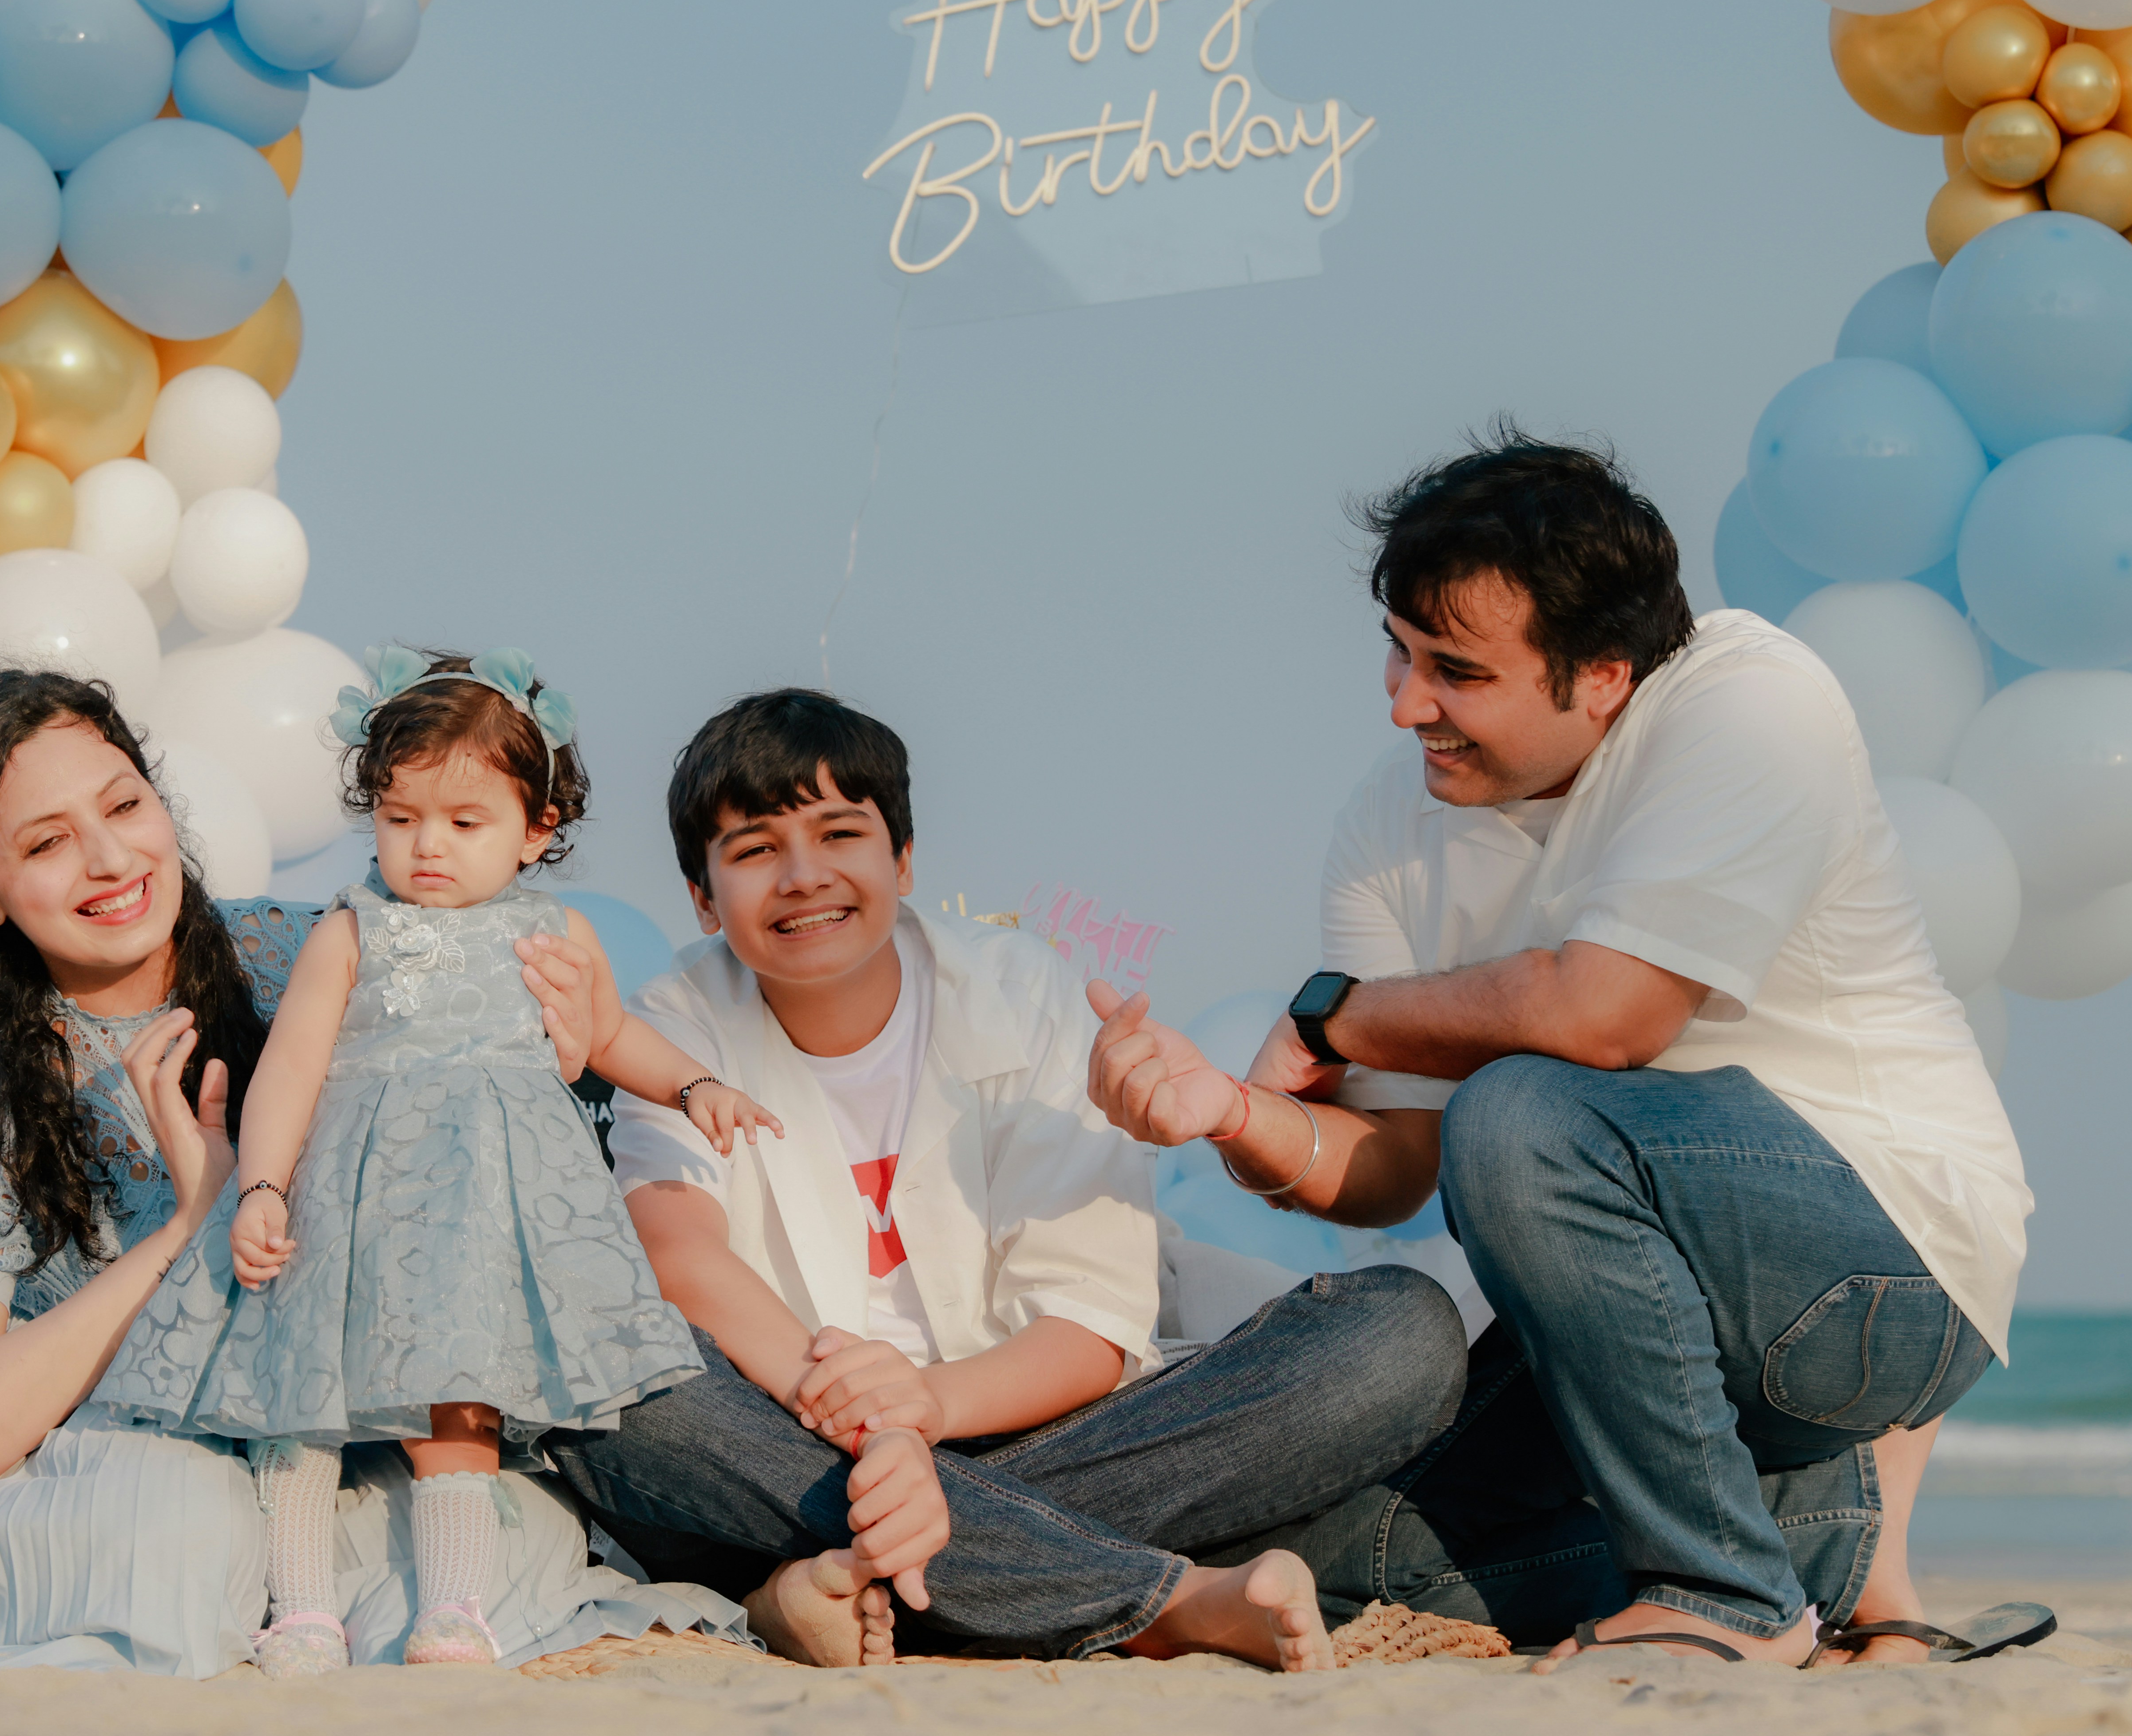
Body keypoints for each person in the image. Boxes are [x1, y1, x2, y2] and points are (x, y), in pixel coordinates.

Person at [1086, 430, 2038, 1668]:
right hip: (1630, 1302)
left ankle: (1721, 1592)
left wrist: (1338, 1014)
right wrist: (1230, 1115)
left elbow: (1606, 1017)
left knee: (1519, 1110)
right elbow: (1397, 1166)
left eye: (1456, 671)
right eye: (1398, 650)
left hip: (1879, 1276)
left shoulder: (1750, 701)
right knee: (1351, 1555)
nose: (1405, 703)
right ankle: (1817, 1546)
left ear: (1602, 676)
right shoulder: (1389, 822)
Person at [0, 668, 732, 1671]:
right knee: (187, 1531)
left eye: (124, 807)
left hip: (326, 1423)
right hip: (121, 1462)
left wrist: (574, 1033)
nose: (108, 860)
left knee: (493, 1547)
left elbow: (502, 998)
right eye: (47, 842)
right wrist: (194, 1221)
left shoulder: (308, 952)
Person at [540, 689, 1472, 1671]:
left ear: (903, 859)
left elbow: (1091, 1325)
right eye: (755, 849)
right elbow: (681, 1256)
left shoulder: (1020, 987)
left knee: (1398, 1337)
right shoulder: (672, 1024)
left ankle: (823, 1591)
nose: (803, 876)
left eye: (840, 834)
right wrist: (869, 1430)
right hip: (788, 1442)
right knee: (595, 1368)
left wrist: (924, 1411)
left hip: (1027, 1432)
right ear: (702, 898)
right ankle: (1161, 1600)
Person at [93, 647, 743, 1673]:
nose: (427, 846)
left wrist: (695, 1086)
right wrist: (261, 1186)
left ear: (537, 831)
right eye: (401, 820)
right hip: (347, 1202)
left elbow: (613, 1036)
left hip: (476, 1213)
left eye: (464, 823)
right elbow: (292, 1067)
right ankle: (301, 1609)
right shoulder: (354, 932)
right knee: (298, 1396)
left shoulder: (555, 931)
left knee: (459, 1401)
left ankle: (453, 1606)